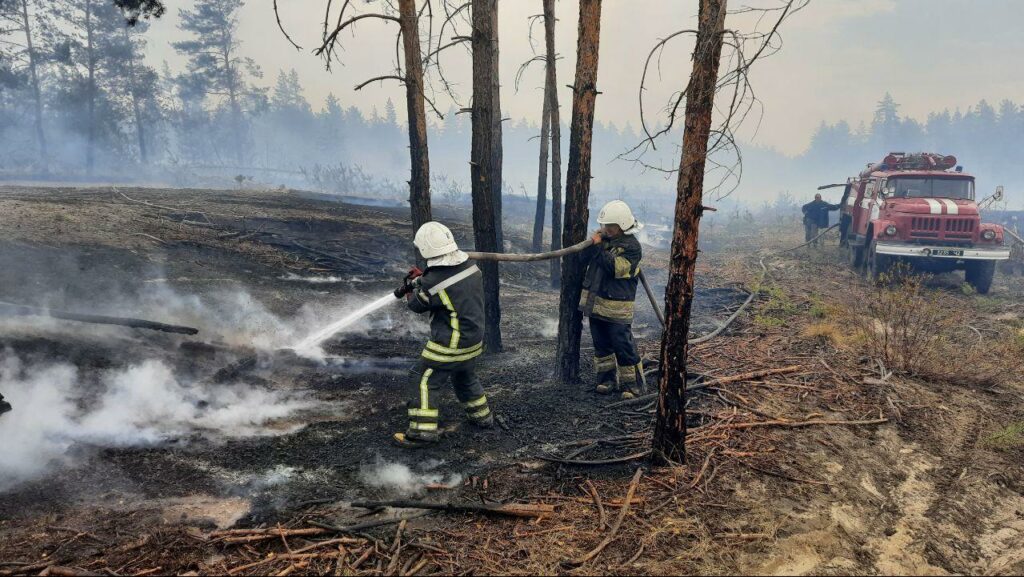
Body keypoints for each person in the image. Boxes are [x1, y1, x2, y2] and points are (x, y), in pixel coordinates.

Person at [393, 222, 493, 448]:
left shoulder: (432, 283)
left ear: (426, 249)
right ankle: (483, 417)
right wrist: (423, 279)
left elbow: (417, 306)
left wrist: (411, 290)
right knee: (464, 375)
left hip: (451, 344)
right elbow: (448, 284)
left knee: (422, 378)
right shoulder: (470, 266)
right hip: (474, 340)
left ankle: (421, 432)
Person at [580, 200, 645, 400]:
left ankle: (633, 385)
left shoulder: (632, 247)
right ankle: (606, 380)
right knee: (601, 345)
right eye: (604, 225)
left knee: (622, 345)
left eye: (610, 226)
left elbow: (616, 268)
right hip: (596, 303)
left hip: (617, 307)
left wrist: (600, 248)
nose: (606, 229)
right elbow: (584, 259)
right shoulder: (604, 241)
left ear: (623, 225)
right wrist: (593, 245)